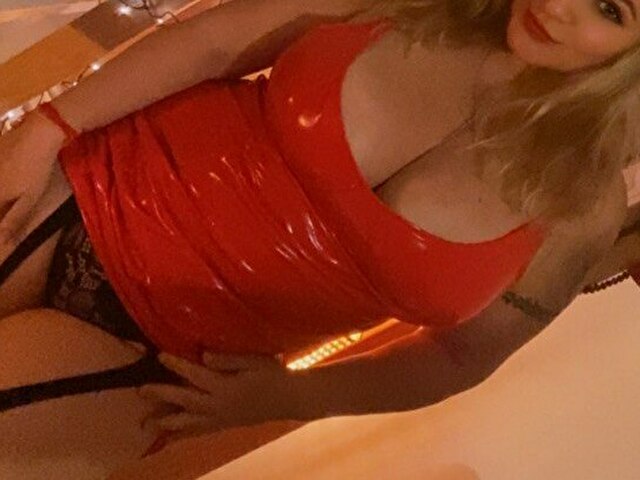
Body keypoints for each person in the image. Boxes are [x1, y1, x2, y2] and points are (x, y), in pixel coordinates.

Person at [0, 0, 638, 472]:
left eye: (610, 9)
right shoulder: (418, 5)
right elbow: (215, 42)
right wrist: (48, 127)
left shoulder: (582, 209)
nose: (558, 5)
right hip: (79, 193)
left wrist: (297, 396)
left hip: (166, 355)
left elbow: (460, 357)